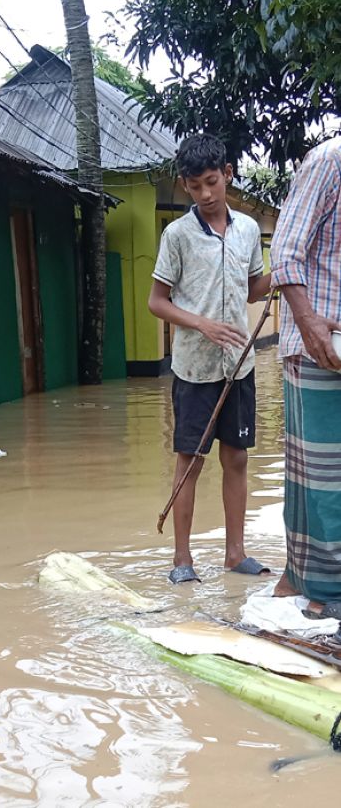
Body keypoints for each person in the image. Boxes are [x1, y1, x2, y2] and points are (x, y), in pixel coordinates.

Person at [146, 132, 273, 583]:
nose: (206, 194)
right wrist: (201, 323)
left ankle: (235, 554)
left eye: (213, 183)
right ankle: (183, 560)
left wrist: (281, 276)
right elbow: (157, 302)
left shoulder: (247, 230)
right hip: (194, 369)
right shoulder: (177, 235)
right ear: (185, 185)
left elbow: (253, 286)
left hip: (239, 365)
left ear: (228, 176)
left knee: (236, 458)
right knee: (190, 460)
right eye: (196, 186)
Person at [269, 136, 341, 616]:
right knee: (320, 478)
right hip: (318, 344)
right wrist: (309, 320)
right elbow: (284, 251)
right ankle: (324, 593)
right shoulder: (329, 161)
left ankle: (299, 580)